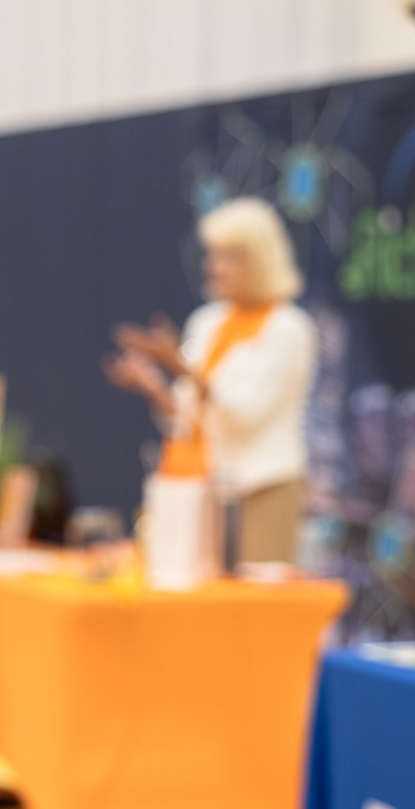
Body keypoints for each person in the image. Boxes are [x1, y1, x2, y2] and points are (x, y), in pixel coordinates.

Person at [104, 197, 316, 566]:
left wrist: (180, 366)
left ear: (260, 260)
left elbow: (242, 415)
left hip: (262, 491)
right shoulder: (207, 322)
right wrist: (154, 387)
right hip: (206, 492)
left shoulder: (289, 329)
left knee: (255, 597)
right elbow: (190, 417)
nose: (214, 267)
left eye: (228, 257)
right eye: (212, 256)